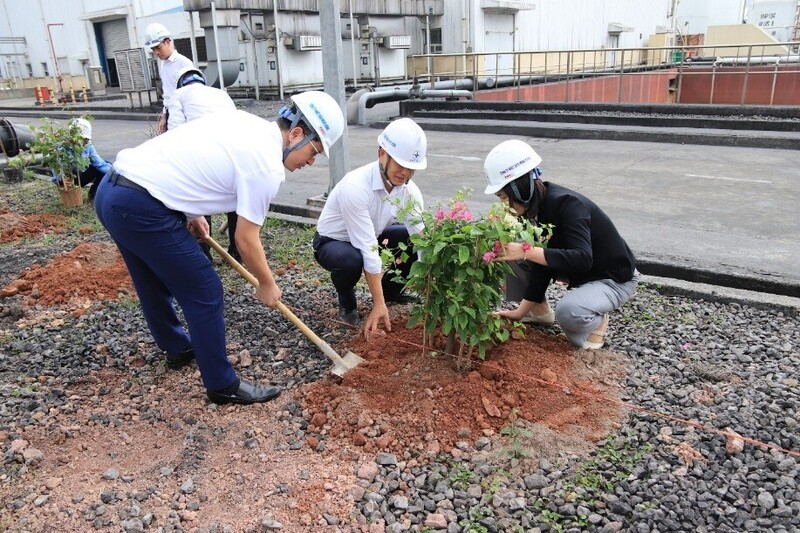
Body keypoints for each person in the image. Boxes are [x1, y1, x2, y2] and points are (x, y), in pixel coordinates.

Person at [94, 91, 344, 405]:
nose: (311, 161)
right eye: (314, 150)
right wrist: (267, 284)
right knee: (205, 288)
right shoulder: (265, 166)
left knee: (150, 280)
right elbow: (245, 238)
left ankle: (177, 348)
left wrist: (192, 212)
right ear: (295, 134)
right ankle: (221, 384)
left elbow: (189, 156)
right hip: (140, 205)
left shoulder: (246, 123)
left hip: (112, 192)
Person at [483, 139, 639, 350]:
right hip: (583, 274)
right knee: (514, 255)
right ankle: (539, 312)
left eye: (503, 196)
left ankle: (598, 319)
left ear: (518, 188)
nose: (503, 204)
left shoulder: (569, 205)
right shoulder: (532, 210)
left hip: (612, 278)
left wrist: (525, 251)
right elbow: (543, 264)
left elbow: (582, 259)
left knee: (569, 314)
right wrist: (520, 312)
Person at [313, 117, 427, 339]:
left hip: (372, 234)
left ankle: (392, 293)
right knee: (352, 259)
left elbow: (421, 237)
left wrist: (430, 282)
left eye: (412, 168)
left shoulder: (409, 190)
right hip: (333, 242)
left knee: (412, 240)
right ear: (382, 154)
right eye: (401, 164)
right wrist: (377, 304)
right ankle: (347, 305)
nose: (406, 173)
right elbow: (367, 249)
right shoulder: (356, 187)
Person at [167, 67, 238, 260]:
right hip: (230, 153)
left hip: (200, 155)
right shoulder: (221, 94)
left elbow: (175, 131)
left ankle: (204, 255)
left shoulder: (178, 94)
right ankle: (237, 251)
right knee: (234, 202)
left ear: (181, 82)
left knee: (201, 202)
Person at [144, 22, 194, 134]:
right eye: (153, 49)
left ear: (167, 42)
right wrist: (164, 116)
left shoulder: (184, 63)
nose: (156, 52)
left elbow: (193, 93)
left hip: (184, 114)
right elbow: (167, 93)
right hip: (171, 114)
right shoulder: (164, 65)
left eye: (158, 47)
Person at [64, 118, 111, 201]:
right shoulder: (63, 147)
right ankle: (72, 196)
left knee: (106, 166)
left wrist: (115, 172)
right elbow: (56, 170)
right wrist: (60, 182)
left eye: (86, 139)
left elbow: (99, 163)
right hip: (67, 180)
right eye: (82, 138)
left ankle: (94, 194)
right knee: (75, 169)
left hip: (81, 177)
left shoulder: (88, 146)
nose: (84, 141)